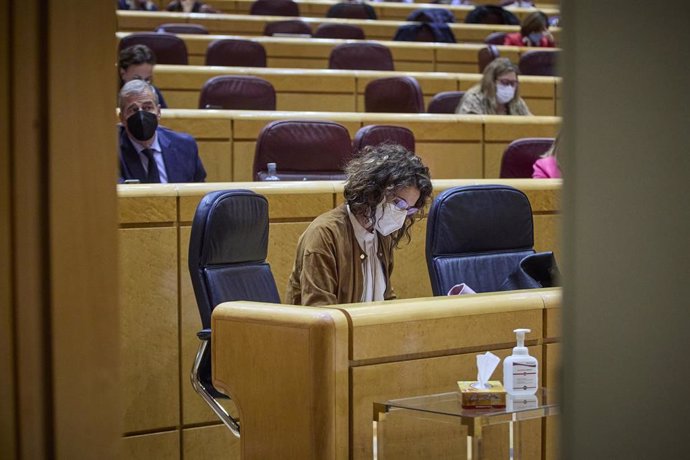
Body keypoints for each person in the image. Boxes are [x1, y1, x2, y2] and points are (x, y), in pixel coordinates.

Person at [286, 144, 433, 306]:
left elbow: (384, 297)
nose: (402, 214)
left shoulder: (382, 234)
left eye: (409, 209)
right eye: (398, 203)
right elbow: (320, 315)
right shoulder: (324, 235)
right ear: (374, 191)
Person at [118, 79, 206, 183]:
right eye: (133, 109)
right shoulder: (112, 154)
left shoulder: (185, 146)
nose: (141, 116)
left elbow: (199, 192)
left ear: (158, 112)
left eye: (147, 107)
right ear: (122, 118)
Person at [456, 57, 531, 115]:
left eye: (513, 83)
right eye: (505, 82)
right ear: (491, 81)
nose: (509, 87)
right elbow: (471, 130)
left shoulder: (516, 102)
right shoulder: (474, 99)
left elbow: (530, 125)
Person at [118, 44, 168, 109]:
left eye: (147, 79)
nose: (142, 85)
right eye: (137, 79)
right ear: (123, 73)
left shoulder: (154, 93)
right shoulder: (109, 95)